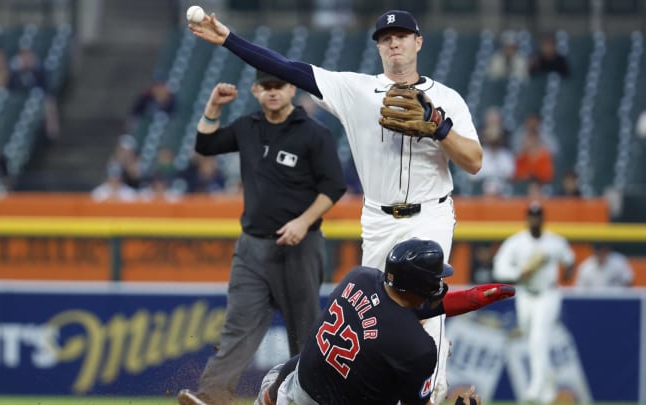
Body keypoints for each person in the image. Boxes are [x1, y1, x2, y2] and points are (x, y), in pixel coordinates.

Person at [187, 9, 483, 403]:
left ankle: (434, 391)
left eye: (402, 35)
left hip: (430, 215)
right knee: (362, 321)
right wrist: (229, 39)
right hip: (379, 219)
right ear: (378, 46)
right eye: (385, 37)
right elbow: (287, 68)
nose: (394, 42)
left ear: (418, 42)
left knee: (424, 321)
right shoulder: (355, 89)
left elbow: (474, 161)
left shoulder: (447, 99)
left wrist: (440, 126)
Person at [177, 70, 347, 405]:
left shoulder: (314, 134)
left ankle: (309, 400)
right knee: (237, 329)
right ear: (255, 90)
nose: (272, 92)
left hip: (300, 247)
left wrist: (303, 222)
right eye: (265, 86)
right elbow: (205, 144)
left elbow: (334, 186)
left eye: (278, 86)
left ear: (290, 88)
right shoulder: (247, 126)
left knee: (304, 338)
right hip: (252, 247)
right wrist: (212, 107)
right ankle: (212, 397)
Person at [176, 238, 513, 405]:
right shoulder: (417, 348)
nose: (441, 284)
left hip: (286, 389)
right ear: (418, 286)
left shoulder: (360, 277)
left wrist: (475, 298)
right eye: (436, 279)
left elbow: (404, 311)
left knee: (294, 366)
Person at [492, 202, 575, 404]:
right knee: (531, 340)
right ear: (527, 218)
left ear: (543, 219)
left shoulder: (554, 242)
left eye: (538, 216)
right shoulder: (516, 242)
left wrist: (564, 272)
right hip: (525, 293)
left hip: (548, 294)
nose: (535, 219)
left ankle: (536, 389)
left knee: (539, 337)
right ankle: (548, 386)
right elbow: (499, 269)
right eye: (532, 215)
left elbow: (570, 261)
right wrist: (520, 272)